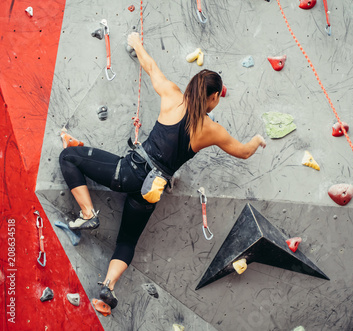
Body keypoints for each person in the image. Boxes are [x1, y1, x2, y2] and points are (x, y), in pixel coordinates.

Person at [59, 32, 266, 309]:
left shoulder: (172, 96)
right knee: (127, 241)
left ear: (192, 87)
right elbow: (243, 152)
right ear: (214, 97)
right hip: (151, 191)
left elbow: (151, 67)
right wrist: (257, 140)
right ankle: (108, 288)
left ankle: (87, 214)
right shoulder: (211, 130)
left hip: (130, 172)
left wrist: (136, 44)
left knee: (69, 157)